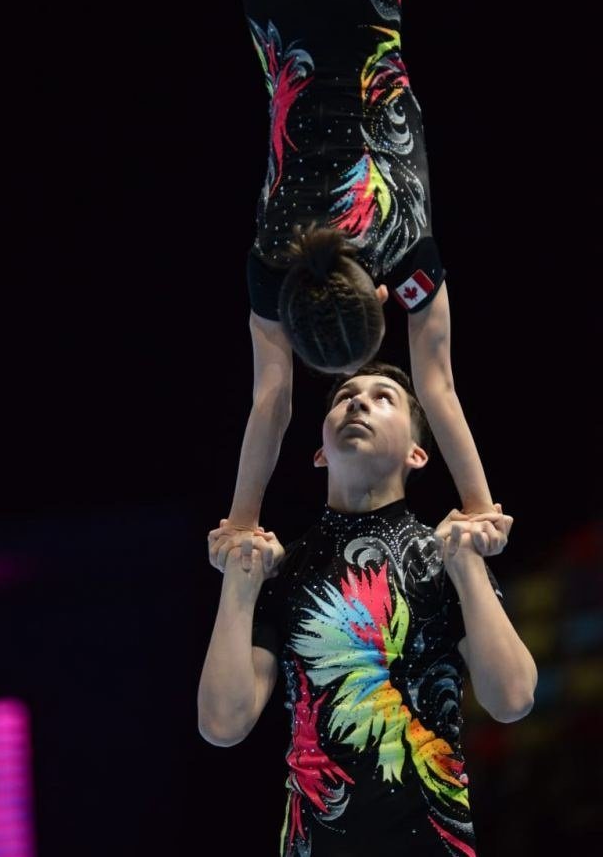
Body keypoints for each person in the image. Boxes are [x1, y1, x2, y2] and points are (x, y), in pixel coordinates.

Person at [231, 0, 494, 537]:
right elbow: (271, 404)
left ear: (381, 295)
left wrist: (479, 503)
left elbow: (437, 386)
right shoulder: (271, 267)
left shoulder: (408, 256)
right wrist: (241, 518)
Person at [198, 362, 537, 855]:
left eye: (383, 398)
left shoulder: (443, 555)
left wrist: (467, 569)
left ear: (417, 454)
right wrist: (238, 585)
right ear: (319, 454)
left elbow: (513, 699)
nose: (357, 402)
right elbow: (222, 724)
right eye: (345, 397)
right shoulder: (286, 571)